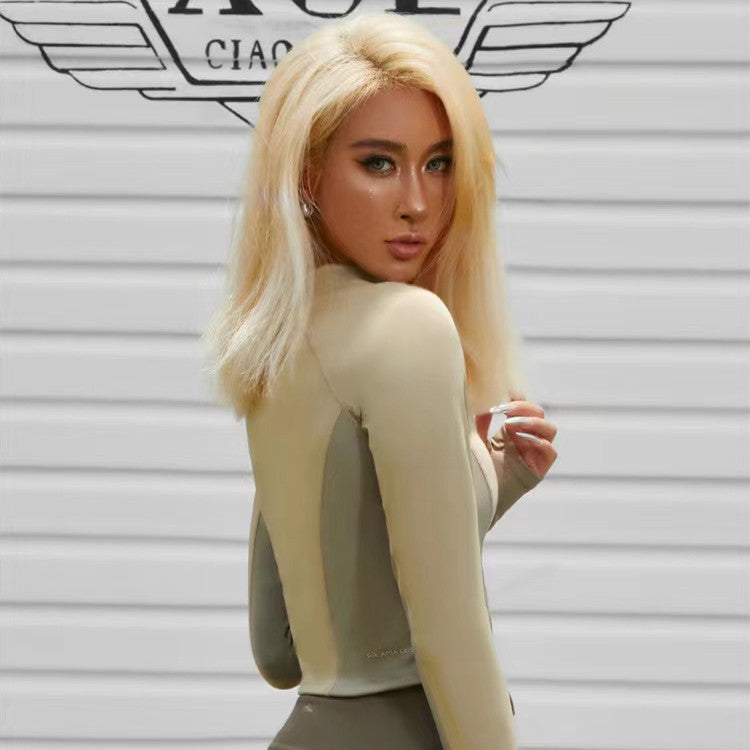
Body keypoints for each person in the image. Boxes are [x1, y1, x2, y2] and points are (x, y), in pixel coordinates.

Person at [202, 10, 558, 750]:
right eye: (378, 163)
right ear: (307, 172)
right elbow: (450, 638)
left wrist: (492, 480)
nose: (418, 203)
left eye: (439, 163)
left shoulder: (276, 339)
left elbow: (279, 649)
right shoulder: (408, 326)